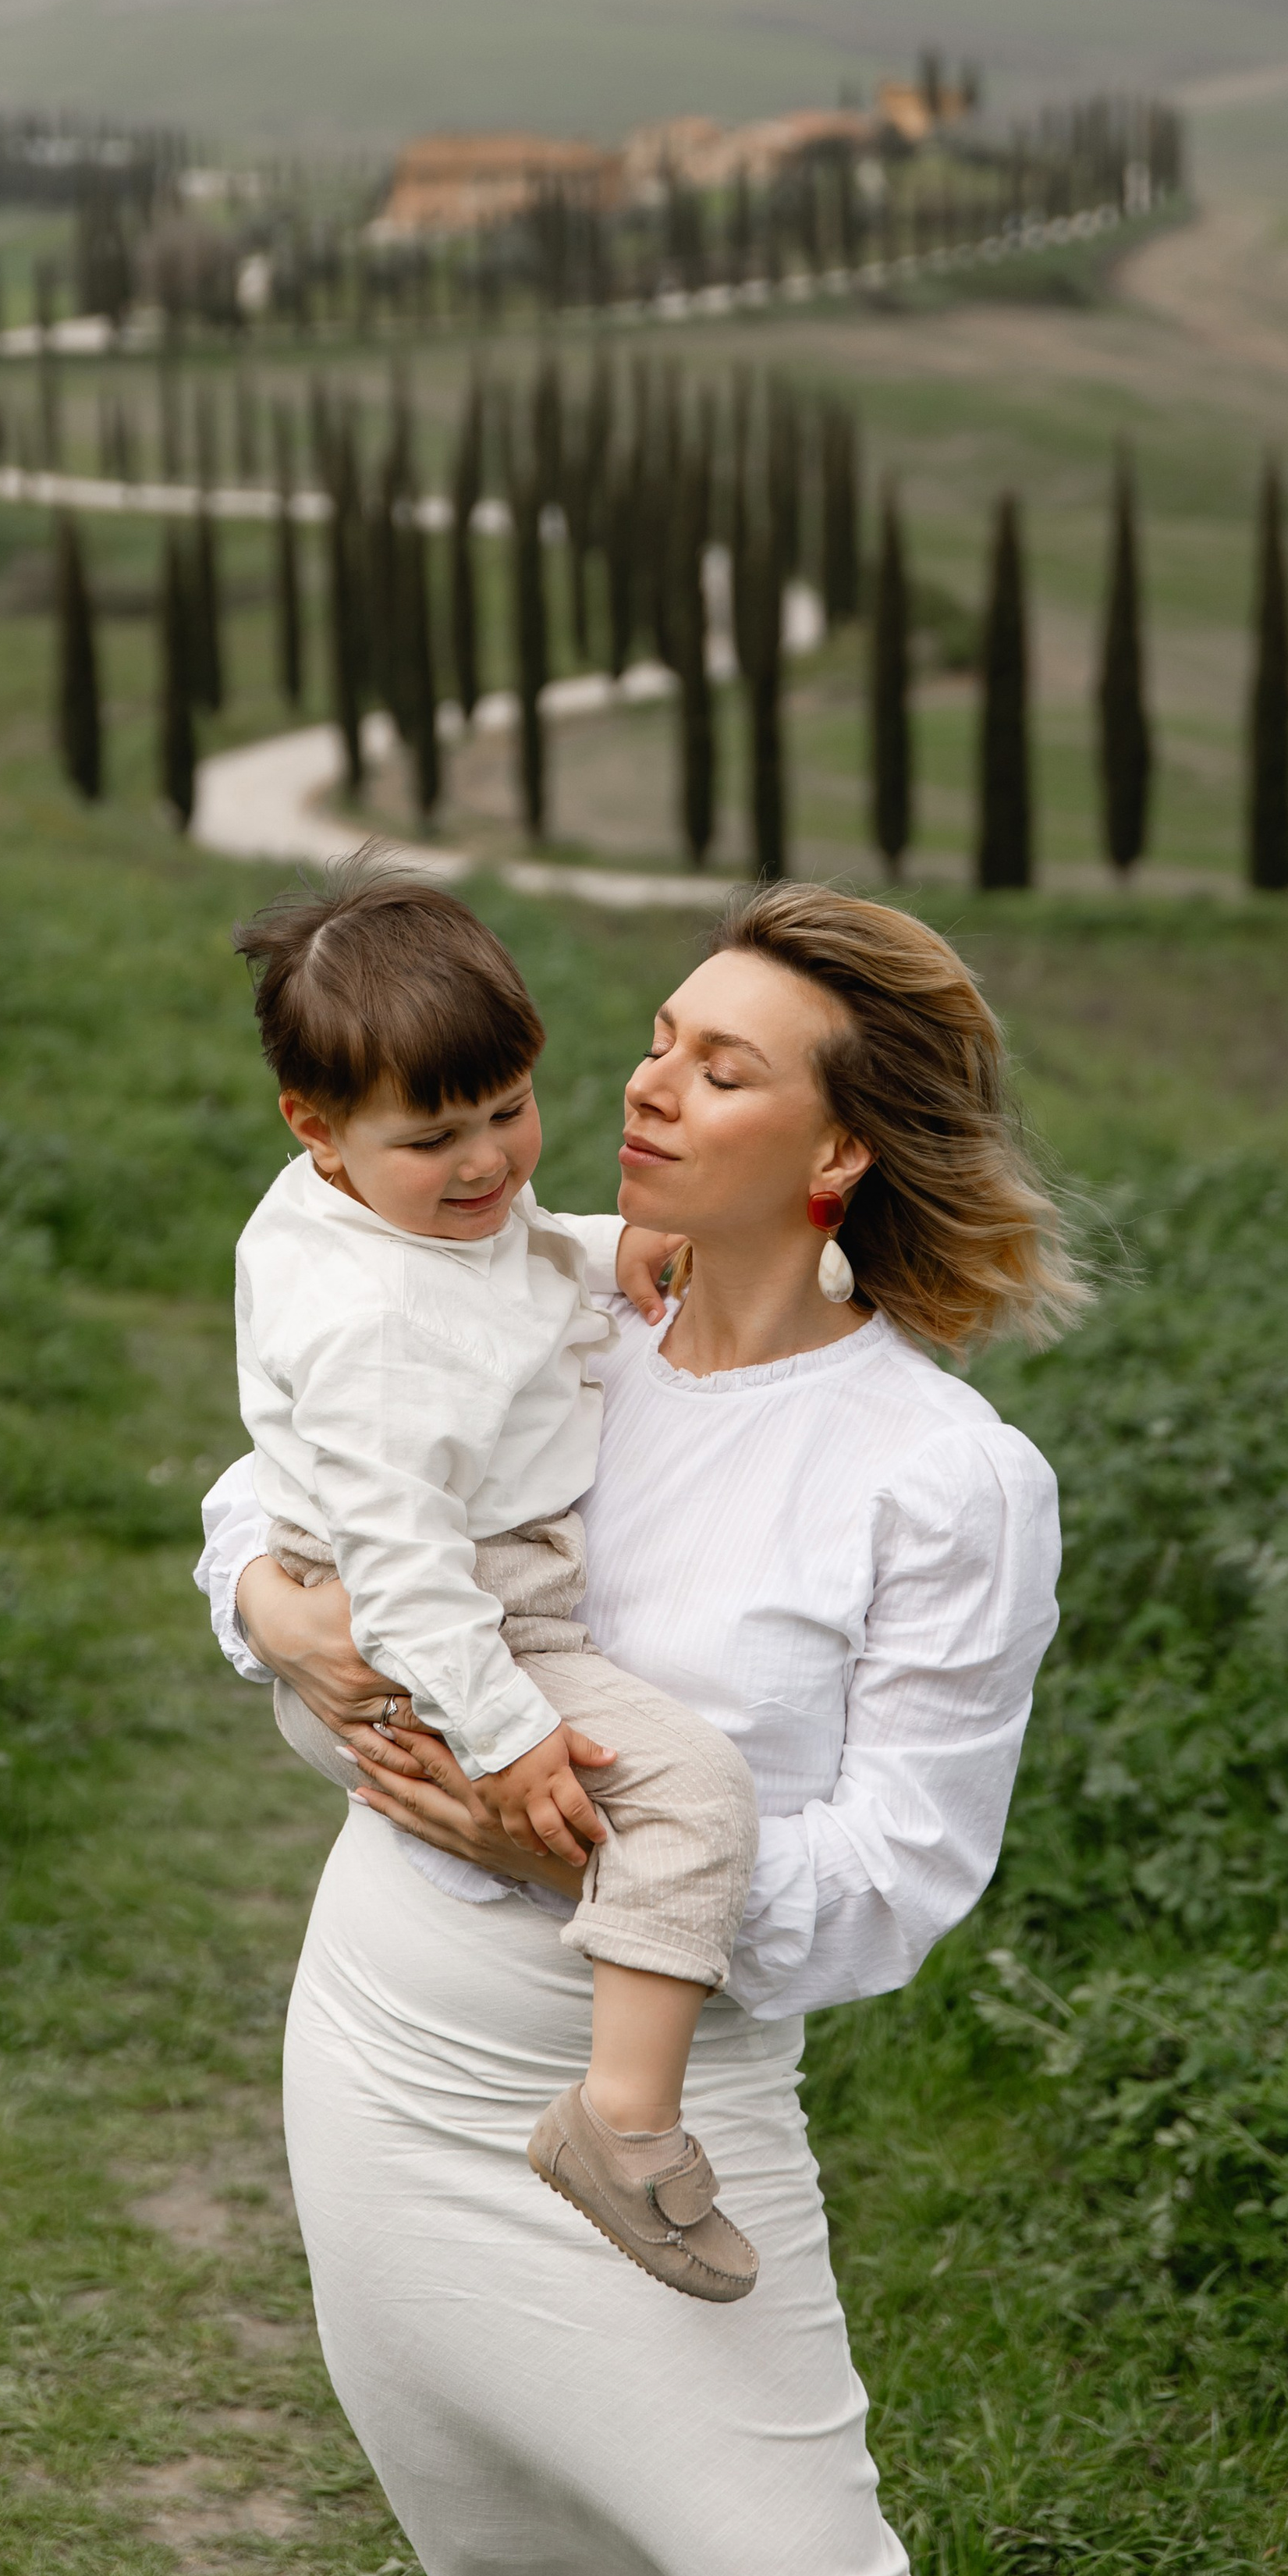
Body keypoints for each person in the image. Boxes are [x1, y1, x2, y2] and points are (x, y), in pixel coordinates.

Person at [197, 881, 1077, 2576]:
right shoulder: (557, 1303)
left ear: (835, 1149)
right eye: (660, 1037)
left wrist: (570, 1859)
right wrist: (270, 1612)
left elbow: (896, 1881)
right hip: (373, 2048)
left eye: (720, 1069)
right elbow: (295, 1468)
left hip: (649, 2116)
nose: (645, 1086)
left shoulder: (942, 1479)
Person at [228, 862, 767, 2301]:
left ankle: (524, 2163)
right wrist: (509, 1726)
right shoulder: (368, 1325)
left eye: (511, 1111)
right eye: (437, 1138)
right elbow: (403, 1570)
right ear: (316, 1127)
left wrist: (610, 1246)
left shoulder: (381, 1218)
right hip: (448, 1626)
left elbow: (509, 1276)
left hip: (430, 1608)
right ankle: (620, 2126)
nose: (488, 1166)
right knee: (695, 1795)